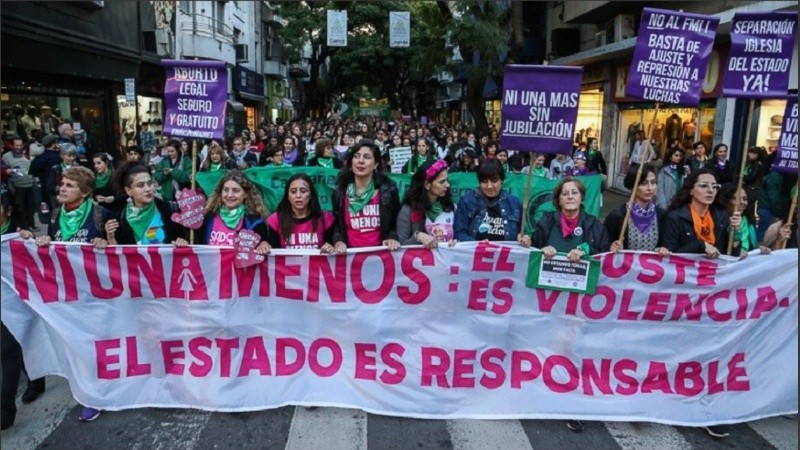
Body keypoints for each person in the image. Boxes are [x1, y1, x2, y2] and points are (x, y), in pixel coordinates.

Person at [17, 166, 110, 423]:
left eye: (70, 185)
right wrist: (38, 240)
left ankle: (95, 395)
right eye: (63, 184)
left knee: (94, 345)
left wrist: (105, 242)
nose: (63, 189)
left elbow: (121, 252)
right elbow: (54, 246)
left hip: (96, 295)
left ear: (85, 191)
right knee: (75, 345)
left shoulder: (101, 214)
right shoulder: (57, 213)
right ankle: (89, 392)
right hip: (65, 294)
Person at [1, 192, 46, 431]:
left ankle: (6, 408)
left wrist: (28, 239)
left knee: (9, 348)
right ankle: (35, 379)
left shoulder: (18, 234)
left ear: (7, 210)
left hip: (17, 300)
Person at [331, 139, 401, 253]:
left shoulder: (388, 189)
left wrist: (392, 237)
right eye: (356, 156)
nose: (361, 161)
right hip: (350, 256)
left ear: (376, 164)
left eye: (367, 157)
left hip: (382, 255)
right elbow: (336, 225)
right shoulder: (340, 191)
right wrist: (338, 240)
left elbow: (396, 221)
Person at [520, 177, 610, 263]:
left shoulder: (596, 226)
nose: (570, 197)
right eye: (565, 194)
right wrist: (537, 248)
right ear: (559, 200)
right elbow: (531, 250)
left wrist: (586, 251)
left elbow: (605, 259)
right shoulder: (546, 222)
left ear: (582, 199)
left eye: (574, 193)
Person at [662, 168, 741, 259]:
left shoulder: (722, 216)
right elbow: (669, 258)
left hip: (714, 272)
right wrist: (701, 246)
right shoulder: (675, 217)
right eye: (704, 186)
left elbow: (731, 256)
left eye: (715, 186)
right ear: (691, 190)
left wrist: (736, 235)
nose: (711, 190)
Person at [104, 161, 188, 246]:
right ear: (128, 190)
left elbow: (184, 244)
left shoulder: (171, 211)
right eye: (140, 185)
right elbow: (118, 255)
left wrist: (182, 243)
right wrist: (111, 238)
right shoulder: (119, 220)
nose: (148, 189)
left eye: (150, 183)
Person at [196, 170, 270, 254]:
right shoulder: (208, 217)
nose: (230, 195)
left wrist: (264, 244)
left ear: (245, 194)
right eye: (226, 190)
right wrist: (183, 240)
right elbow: (194, 242)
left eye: (236, 190)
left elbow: (264, 243)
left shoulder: (255, 222)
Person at [605, 164, 670, 255]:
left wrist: (663, 249)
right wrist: (612, 246)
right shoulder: (618, 215)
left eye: (653, 182)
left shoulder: (661, 215)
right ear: (632, 186)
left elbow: (667, 244)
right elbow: (604, 244)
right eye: (644, 183)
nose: (650, 188)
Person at [454, 159, 522, 242]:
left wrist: (524, 238)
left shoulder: (515, 203)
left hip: (505, 254)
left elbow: (523, 233)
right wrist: (477, 245)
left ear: (502, 180)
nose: (489, 186)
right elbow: (459, 233)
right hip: (475, 253)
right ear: (479, 182)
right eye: (484, 181)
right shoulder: (467, 201)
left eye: (494, 180)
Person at [266, 173, 335, 252]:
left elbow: (333, 247)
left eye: (303, 191)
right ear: (288, 196)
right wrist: (264, 243)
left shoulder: (325, 218)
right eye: (293, 191)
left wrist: (330, 248)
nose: (298, 195)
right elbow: (273, 254)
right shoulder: (276, 220)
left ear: (311, 195)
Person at [397, 159, 457, 248]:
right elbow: (401, 249)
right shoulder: (408, 210)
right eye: (442, 182)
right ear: (427, 185)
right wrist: (418, 237)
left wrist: (457, 242)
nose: (447, 185)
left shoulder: (452, 208)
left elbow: (460, 236)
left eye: (447, 180)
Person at [718, 184, 772, 256]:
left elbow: (749, 248)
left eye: (745, 199)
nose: (742, 202)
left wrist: (759, 249)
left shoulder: (747, 222)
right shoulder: (720, 221)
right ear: (726, 200)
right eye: (736, 198)